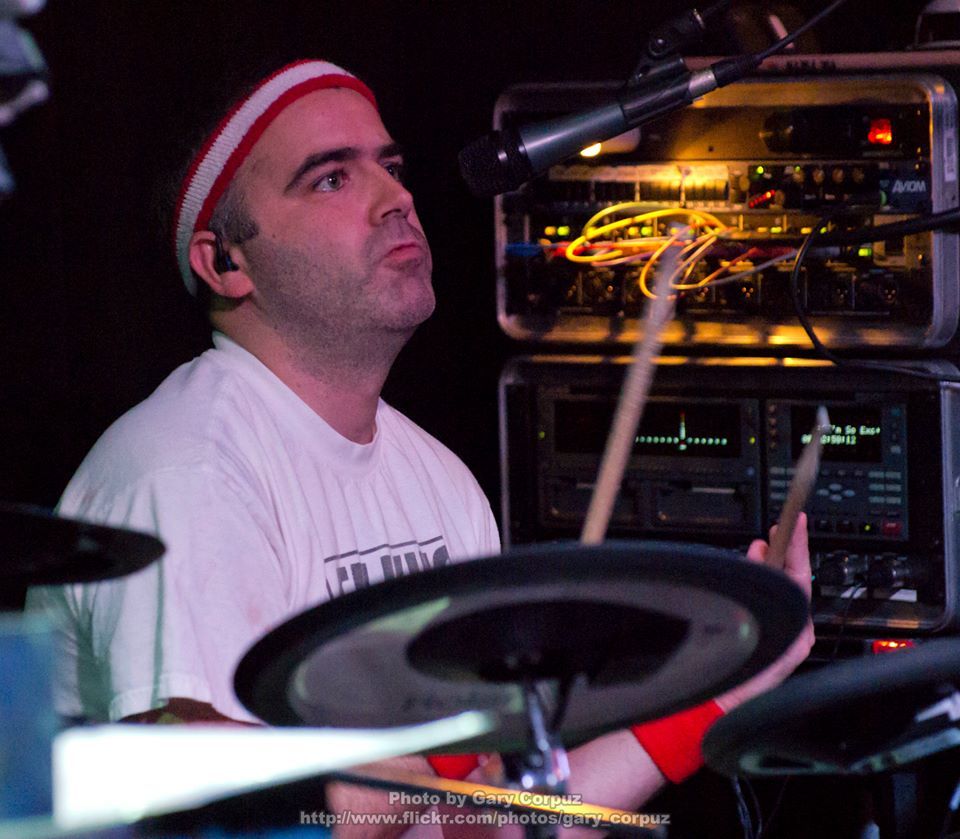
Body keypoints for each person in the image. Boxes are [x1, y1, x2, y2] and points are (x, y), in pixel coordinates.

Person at [28, 60, 813, 835]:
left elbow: (494, 825)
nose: (396, 198)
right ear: (224, 261)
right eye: (331, 178)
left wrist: (718, 697)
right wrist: (439, 754)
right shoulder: (189, 472)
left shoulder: (439, 481)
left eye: (393, 168)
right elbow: (236, 819)